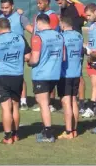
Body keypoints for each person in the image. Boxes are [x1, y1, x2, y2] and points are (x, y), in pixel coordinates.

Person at [28, 14, 64, 143]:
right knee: (45, 101)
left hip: (42, 74)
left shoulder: (38, 37)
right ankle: (46, 130)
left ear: (38, 23)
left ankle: (48, 133)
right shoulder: (59, 35)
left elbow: (35, 59)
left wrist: (29, 61)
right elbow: (63, 57)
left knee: (43, 103)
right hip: (55, 73)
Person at [0, 0, 31, 110]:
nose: (4, 10)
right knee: (6, 76)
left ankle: (23, 101)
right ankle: (7, 98)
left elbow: (31, 30)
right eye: (2, 7)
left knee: (19, 76)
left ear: (12, 6)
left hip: (17, 51)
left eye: (7, 7)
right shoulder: (0, 17)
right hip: (4, 52)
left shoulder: (20, 17)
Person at [26, 0, 61, 113]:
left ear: (46, 2)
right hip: (37, 48)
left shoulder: (52, 16)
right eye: (37, 3)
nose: (38, 5)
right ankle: (44, 102)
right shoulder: (38, 15)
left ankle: (50, 103)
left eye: (40, 3)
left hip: (47, 50)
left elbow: (51, 35)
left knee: (49, 75)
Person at [55, 0, 86, 110]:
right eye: (56, 0)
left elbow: (86, 13)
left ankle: (82, 103)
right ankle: (68, 100)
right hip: (66, 41)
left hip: (76, 42)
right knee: (66, 70)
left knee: (78, 73)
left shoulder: (76, 7)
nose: (58, 2)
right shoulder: (63, 10)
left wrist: (84, 22)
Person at [57, 16, 83, 139]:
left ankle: (68, 131)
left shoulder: (61, 37)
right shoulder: (79, 36)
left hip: (65, 73)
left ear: (62, 24)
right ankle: (74, 129)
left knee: (66, 101)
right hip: (76, 72)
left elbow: (62, 56)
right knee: (73, 101)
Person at [82, 3, 96, 118]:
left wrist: (95, 53)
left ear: (95, 11)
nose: (87, 18)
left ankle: (91, 107)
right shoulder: (93, 26)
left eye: (89, 15)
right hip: (91, 57)